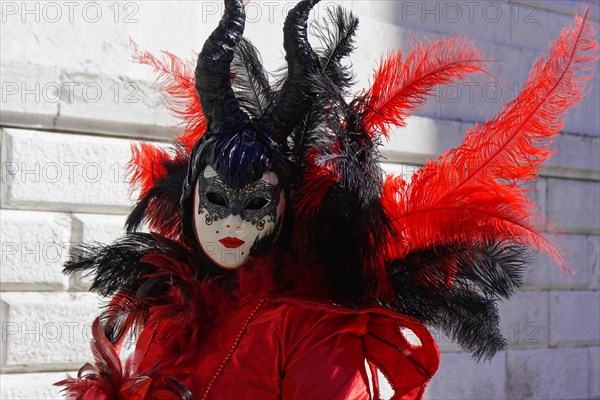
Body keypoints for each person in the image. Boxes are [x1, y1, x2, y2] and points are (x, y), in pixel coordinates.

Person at [57, 1, 598, 399]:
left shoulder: (314, 332)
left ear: (285, 206)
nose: (232, 223)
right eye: (217, 198)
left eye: (256, 203)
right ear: (189, 195)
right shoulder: (164, 305)